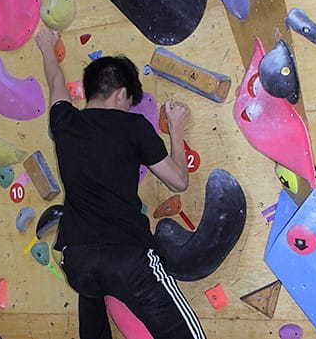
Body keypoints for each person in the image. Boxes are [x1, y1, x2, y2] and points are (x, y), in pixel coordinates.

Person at [35, 29, 207, 339]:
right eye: (130, 101)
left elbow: (55, 82)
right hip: (126, 256)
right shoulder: (133, 126)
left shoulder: (64, 122)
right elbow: (179, 181)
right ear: (121, 92)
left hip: (78, 261)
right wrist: (177, 131)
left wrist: (46, 46)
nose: (129, 107)